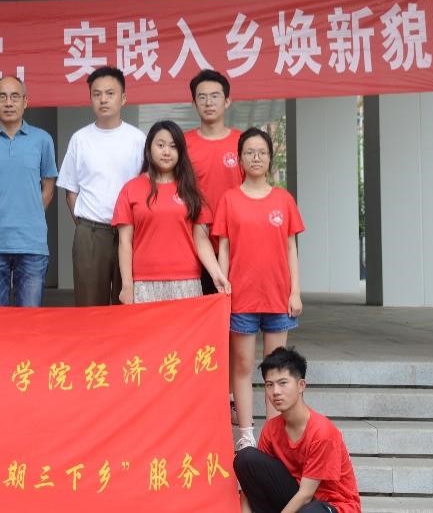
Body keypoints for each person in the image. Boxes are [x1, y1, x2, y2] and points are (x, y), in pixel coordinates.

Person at [213, 128, 304, 451]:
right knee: (241, 366)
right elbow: (224, 247)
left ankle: (273, 434)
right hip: (242, 297)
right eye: (249, 152)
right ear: (240, 159)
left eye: (262, 152)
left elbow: (291, 247)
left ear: (270, 158)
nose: (256, 158)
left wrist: (295, 291)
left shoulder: (283, 199)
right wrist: (223, 288)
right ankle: (246, 433)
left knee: (275, 369)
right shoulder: (229, 199)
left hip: (278, 297)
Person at [112, 120, 228, 304]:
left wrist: (216, 274)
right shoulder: (131, 189)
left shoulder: (191, 190)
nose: (166, 152)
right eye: (160, 145)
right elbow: (125, 242)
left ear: (181, 152)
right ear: (149, 148)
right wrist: (127, 285)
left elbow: (200, 239)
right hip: (144, 283)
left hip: (187, 281)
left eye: (173, 147)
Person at [233, 347, 361, 513]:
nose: (275, 392)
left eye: (283, 383)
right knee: (246, 458)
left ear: (301, 385)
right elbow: (252, 481)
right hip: (295, 500)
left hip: (331, 505)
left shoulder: (322, 432)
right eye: (269, 385)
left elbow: (306, 495)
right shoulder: (271, 429)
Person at [57, 66, 146, 306]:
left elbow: (146, 187)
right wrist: (85, 225)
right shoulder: (80, 139)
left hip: (131, 233)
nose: (103, 99)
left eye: (110, 93)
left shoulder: (138, 139)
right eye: (97, 94)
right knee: (89, 305)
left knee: (127, 303)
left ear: (123, 98)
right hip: (91, 232)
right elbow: (70, 191)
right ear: (90, 99)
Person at [0, 76, 57, 306]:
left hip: (32, 243)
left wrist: (29, 212)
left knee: (29, 319)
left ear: (25, 102)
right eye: (2, 97)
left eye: (15, 97)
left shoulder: (43, 140)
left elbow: (48, 189)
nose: (9, 103)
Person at [184, 69, 245, 296]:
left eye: (215, 96)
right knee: (200, 309)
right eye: (202, 97)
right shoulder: (182, 144)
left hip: (236, 241)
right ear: (194, 104)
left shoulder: (243, 142)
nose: (208, 102)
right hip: (194, 243)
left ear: (227, 101)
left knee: (235, 307)